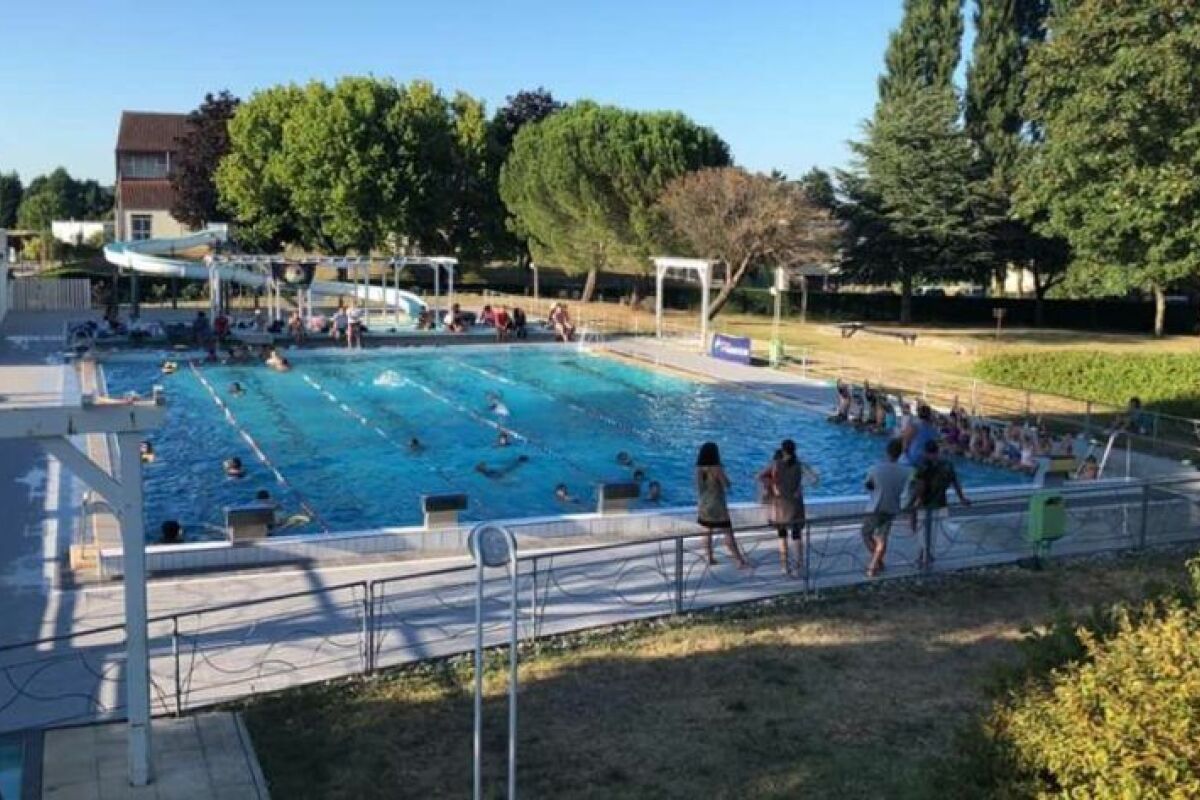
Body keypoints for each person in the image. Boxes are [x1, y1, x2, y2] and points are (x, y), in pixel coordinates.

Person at [907, 440, 971, 568]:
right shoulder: (947, 464)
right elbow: (955, 482)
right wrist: (962, 498)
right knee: (932, 533)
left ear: (925, 452)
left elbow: (920, 486)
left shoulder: (923, 466)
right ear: (938, 451)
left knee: (922, 533)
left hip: (926, 504)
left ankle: (924, 559)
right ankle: (926, 556)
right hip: (941, 503)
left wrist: (910, 503)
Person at [695, 442, 749, 569]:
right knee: (728, 532)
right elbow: (726, 484)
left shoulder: (698, 469)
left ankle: (709, 558)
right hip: (717, 505)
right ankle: (739, 561)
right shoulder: (716, 468)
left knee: (707, 531)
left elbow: (698, 487)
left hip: (704, 504)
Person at [861, 438, 910, 578]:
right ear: (900, 453)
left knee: (866, 534)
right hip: (892, 507)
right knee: (882, 537)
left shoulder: (875, 468)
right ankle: (877, 563)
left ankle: (876, 563)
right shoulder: (905, 471)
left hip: (875, 507)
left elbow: (868, 486)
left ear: (887, 452)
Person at [760, 439, 809, 577]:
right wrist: (799, 487)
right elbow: (814, 479)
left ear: (783, 450)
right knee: (797, 535)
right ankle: (798, 567)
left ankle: (784, 566)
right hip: (796, 503)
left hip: (781, 504)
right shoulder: (799, 465)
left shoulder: (776, 464)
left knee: (782, 536)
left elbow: (761, 476)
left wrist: (774, 487)